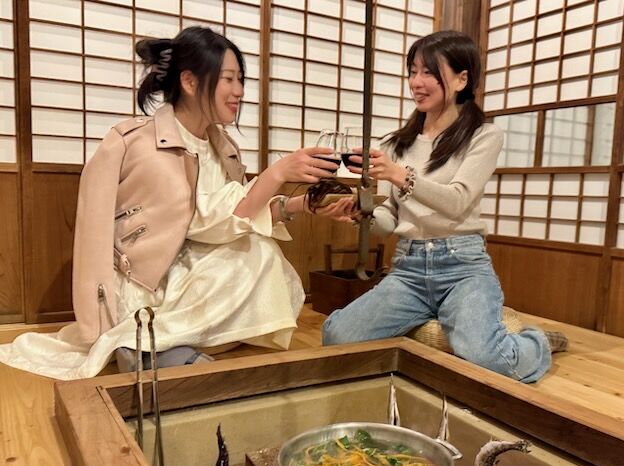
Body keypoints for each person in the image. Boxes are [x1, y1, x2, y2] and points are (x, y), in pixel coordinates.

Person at [0, 26, 341, 379]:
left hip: (193, 270)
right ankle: (139, 341)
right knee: (256, 256)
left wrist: (301, 205)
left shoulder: (222, 146)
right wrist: (277, 173)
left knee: (260, 253)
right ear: (190, 82)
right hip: (146, 281)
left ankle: (156, 345)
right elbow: (97, 230)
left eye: (240, 79)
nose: (239, 91)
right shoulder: (133, 142)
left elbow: (235, 217)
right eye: (228, 79)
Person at [321, 31, 566, 383]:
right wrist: (364, 217)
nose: (416, 82)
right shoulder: (397, 143)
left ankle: (537, 342)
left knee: (488, 359)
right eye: (412, 71)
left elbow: (458, 200)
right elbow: (392, 218)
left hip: (462, 267)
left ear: (461, 79)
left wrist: (400, 175)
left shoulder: (484, 136)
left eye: (429, 72)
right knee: (338, 336)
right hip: (408, 269)